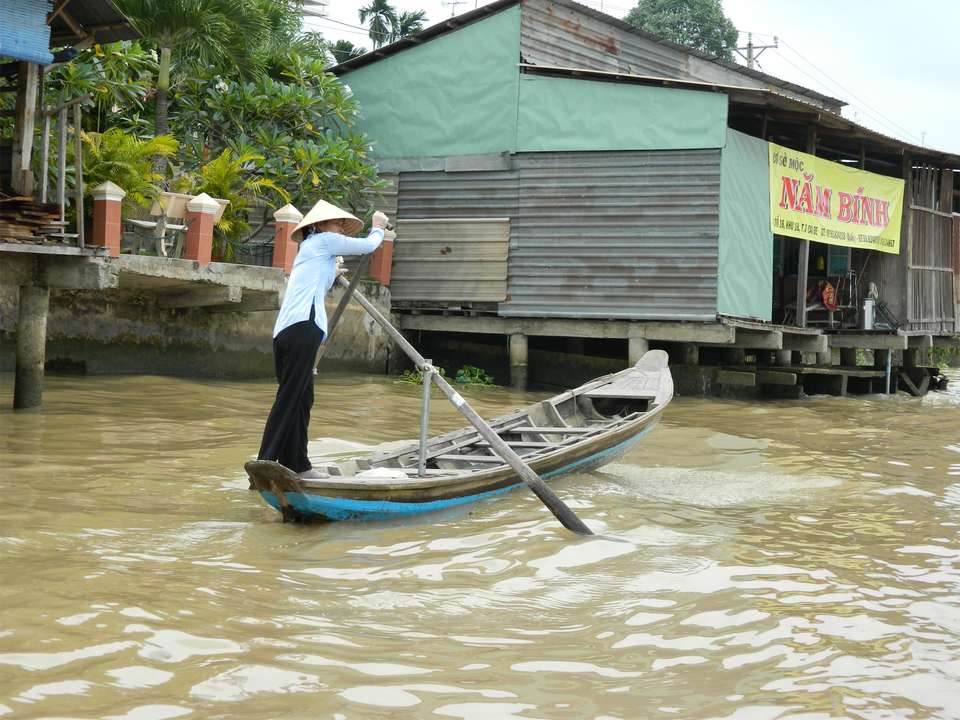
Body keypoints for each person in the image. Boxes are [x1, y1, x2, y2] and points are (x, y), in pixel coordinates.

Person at [258, 199, 389, 478]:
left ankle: (296, 464)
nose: (340, 228)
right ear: (318, 226)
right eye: (336, 223)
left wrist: (335, 269)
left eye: (342, 224)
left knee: (302, 398)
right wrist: (378, 227)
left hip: (287, 333)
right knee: (291, 397)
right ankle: (266, 462)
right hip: (303, 328)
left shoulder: (310, 250)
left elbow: (324, 281)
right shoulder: (323, 242)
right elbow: (368, 246)